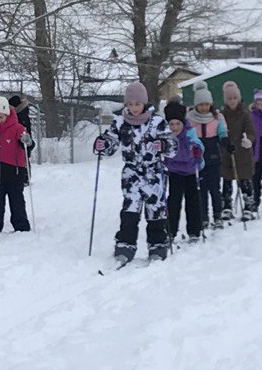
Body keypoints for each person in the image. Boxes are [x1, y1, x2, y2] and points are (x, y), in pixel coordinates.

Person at [92, 81, 178, 264]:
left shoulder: (157, 122)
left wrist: (163, 145)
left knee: (155, 211)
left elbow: (173, 146)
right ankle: (125, 245)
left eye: (137, 104)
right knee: (130, 210)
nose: (133, 108)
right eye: (130, 104)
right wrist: (103, 144)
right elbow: (110, 142)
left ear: (144, 103)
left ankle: (157, 246)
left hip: (153, 173)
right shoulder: (120, 122)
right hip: (131, 174)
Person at [0, 95, 33, 234]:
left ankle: (21, 226)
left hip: (14, 172)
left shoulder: (17, 128)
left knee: (16, 201)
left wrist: (26, 141)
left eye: (1, 117)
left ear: (7, 114)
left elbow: (28, 144)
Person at [186, 82, 230, 229]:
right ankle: (203, 216)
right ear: (196, 105)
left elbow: (222, 133)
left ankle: (218, 215)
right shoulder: (190, 118)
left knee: (215, 189)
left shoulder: (217, 117)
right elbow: (187, 136)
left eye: (206, 104)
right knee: (201, 190)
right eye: (201, 104)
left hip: (213, 158)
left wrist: (226, 142)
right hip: (197, 160)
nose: (204, 107)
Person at [163, 99, 205, 243]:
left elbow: (198, 144)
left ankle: (194, 231)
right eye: (172, 124)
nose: (175, 127)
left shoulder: (189, 132)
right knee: (173, 201)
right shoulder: (167, 135)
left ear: (183, 123)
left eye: (177, 124)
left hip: (191, 171)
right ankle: (170, 230)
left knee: (192, 201)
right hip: (174, 171)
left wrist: (197, 149)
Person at [218, 81, 257, 222]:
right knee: (227, 182)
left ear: (238, 99)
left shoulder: (245, 114)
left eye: (235, 98)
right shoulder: (222, 115)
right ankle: (226, 206)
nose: (232, 101)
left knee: (245, 181)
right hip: (227, 153)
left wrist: (249, 140)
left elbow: (251, 131)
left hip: (243, 154)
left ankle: (249, 207)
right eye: (229, 99)